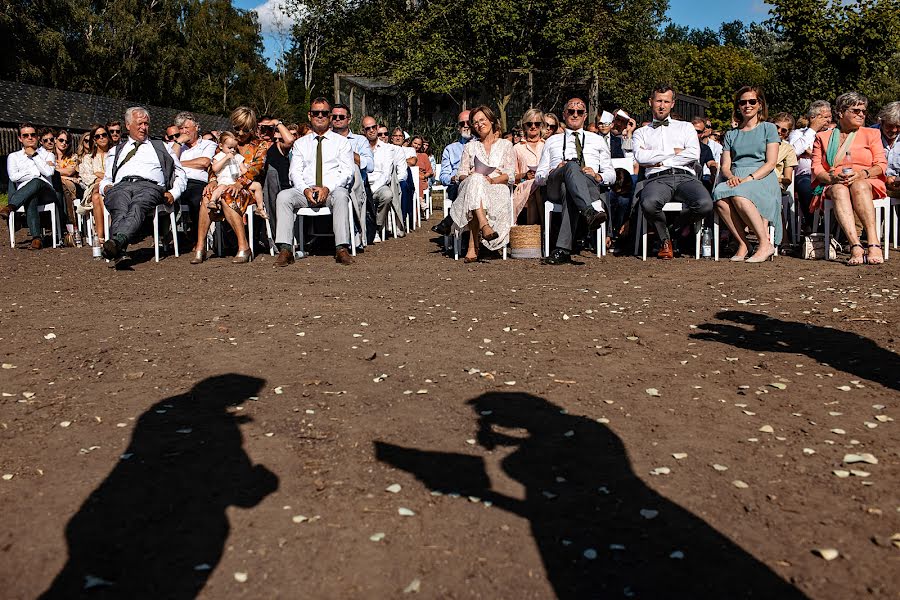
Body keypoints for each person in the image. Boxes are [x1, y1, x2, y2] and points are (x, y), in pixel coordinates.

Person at [630, 86, 713, 260]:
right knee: (649, 203)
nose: (662, 105)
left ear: (672, 104)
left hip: (685, 176)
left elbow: (693, 154)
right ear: (650, 102)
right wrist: (674, 151)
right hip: (657, 178)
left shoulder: (685, 127)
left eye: (666, 101)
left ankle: (668, 233)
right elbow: (641, 157)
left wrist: (660, 158)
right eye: (658, 101)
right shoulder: (641, 132)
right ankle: (665, 240)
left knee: (704, 204)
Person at [98, 107, 187, 266]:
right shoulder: (116, 151)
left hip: (150, 187)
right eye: (139, 123)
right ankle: (119, 248)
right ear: (128, 125)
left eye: (146, 124)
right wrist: (105, 188)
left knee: (137, 206)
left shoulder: (162, 147)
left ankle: (116, 244)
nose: (143, 127)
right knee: (120, 207)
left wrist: (174, 193)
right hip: (120, 187)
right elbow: (106, 179)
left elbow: (180, 173)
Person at [273, 97, 356, 267]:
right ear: (309, 115)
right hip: (306, 191)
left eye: (324, 113)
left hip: (332, 190)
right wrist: (305, 190)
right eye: (316, 113)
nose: (320, 116)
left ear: (330, 116)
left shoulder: (342, 143)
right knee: (284, 196)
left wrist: (328, 188)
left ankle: (341, 248)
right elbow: (294, 172)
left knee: (341, 195)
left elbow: (347, 171)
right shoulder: (300, 144)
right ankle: (286, 249)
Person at [535, 97, 614, 265]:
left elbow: (611, 175)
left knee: (568, 188)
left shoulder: (598, 140)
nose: (575, 115)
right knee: (570, 167)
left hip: (587, 184)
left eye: (579, 112)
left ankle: (562, 250)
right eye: (571, 111)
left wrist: (598, 175)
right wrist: (554, 170)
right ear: (564, 115)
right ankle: (588, 211)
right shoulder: (552, 141)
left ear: (585, 116)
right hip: (555, 182)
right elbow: (539, 176)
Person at [812, 92, 887, 265]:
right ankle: (855, 245)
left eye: (863, 111)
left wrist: (862, 174)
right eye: (856, 110)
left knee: (858, 185)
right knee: (839, 189)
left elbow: (881, 165)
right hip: (835, 182)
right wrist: (832, 178)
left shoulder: (871, 134)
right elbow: (816, 168)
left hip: (867, 180)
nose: (861, 114)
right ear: (840, 113)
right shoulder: (823, 137)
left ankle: (874, 242)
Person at [712, 86, 782, 263]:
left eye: (752, 101)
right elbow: (725, 165)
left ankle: (764, 243)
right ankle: (743, 243)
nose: (747, 105)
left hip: (761, 176)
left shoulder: (769, 128)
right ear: (738, 106)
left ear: (760, 104)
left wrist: (749, 179)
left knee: (739, 195)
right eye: (743, 102)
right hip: (736, 176)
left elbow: (771, 163)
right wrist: (730, 177)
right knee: (719, 196)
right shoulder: (731, 134)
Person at [190, 107, 268, 264]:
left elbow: (255, 169)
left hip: (248, 189)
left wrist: (239, 184)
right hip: (223, 185)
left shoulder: (260, 145)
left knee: (227, 195)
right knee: (207, 195)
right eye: (237, 128)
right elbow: (215, 165)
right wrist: (212, 181)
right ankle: (200, 246)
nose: (240, 133)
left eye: (244, 129)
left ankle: (243, 246)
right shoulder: (227, 142)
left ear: (252, 128)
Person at [446, 105, 515, 263]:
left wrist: (492, 180)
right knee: (476, 179)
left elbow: (510, 175)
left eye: (482, 120)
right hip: (471, 185)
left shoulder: (506, 145)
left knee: (477, 187)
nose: (479, 124)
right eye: (475, 122)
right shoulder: (470, 146)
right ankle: (484, 226)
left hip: (496, 187)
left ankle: (473, 245)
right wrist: (470, 176)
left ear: (491, 120)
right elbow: (460, 175)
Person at [1, 123, 58, 249]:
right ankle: (36, 239)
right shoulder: (13, 157)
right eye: (25, 135)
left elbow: (48, 173)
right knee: (31, 195)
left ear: (37, 137)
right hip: (27, 194)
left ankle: (11, 206)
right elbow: (13, 177)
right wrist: (36, 172)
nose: (30, 138)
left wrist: (35, 156)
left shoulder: (48, 155)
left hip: (47, 192)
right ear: (20, 138)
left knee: (37, 181)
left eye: (32, 135)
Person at [330, 104, 373, 246]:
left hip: (355, 187)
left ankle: (354, 231)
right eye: (334, 116)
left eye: (341, 117)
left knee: (353, 168)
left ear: (349, 119)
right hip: (329, 184)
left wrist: (347, 150)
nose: (337, 119)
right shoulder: (324, 140)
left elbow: (370, 166)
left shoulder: (360, 141)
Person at [172, 111, 217, 246]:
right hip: (177, 181)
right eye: (181, 129)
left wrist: (178, 163)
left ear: (196, 127)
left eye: (187, 128)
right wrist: (179, 142)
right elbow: (170, 162)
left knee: (196, 199)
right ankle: (169, 237)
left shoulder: (208, 144)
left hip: (197, 182)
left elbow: (204, 162)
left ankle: (199, 239)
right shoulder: (176, 145)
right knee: (167, 197)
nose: (184, 131)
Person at [788, 100, 833, 230]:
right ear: (813, 118)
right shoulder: (799, 134)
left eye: (830, 117)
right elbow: (793, 152)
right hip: (806, 176)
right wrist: (813, 130)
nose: (828, 120)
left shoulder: (834, 134)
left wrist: (810, 153)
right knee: (806, 186)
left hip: (828, 175)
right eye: (825, 117)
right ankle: (814, 227)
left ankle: (831, 230)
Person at [205, 132, 266, 221]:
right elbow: (214, 168)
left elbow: (244, 170)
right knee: (220, 188)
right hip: (225, 180)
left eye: (234, 148)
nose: (232, 150)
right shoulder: (219, 156)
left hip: (236, 180)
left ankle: (260, 208)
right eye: (229, 148)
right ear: (221, 146)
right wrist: (226, 158)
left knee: (257, 186)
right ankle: (212, 202)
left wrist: (244, 170)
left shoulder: (237, 156)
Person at [363, 115, 406, 241]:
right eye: (367, 128)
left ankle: (376, 227)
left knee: (387, 195)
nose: (371, 130)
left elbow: (386, 174)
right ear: (363, 131)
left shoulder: (387, 149)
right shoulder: (360, 147)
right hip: (363, 185)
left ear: (377, 128)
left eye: (373, 127)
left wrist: (372, 190)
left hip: (379, 185)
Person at [257, 115, 295, 235]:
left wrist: (276, 123)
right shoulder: (253, 147)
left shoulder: (278, 146)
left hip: (279, 190)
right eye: (262, 128)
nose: (265, 131)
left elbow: (289, 140)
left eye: (269, 128)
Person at [512, 108, 545, 223]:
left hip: (546, 186)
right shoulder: (517, 148)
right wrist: (525, 175)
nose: (533, 127)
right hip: (524, 187)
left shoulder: (547, 145)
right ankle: (543, 229)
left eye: (537, 123)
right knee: (533, 186)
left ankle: (534, 233)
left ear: (542, 126)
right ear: (524, 126)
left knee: (537, 185)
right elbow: (512, 175)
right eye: (529, 124)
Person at [53, 128, 80, 246]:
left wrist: (54, 171)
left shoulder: (73, 156)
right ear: (55, 140)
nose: (64, 143)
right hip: (56, 187)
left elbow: (70, 171)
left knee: (64, 186)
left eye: (67, 141)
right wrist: (63, 174)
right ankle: (72, 227)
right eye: (61, 140)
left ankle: (67, 229)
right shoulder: (48, 156)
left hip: (70, 186)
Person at [438, 110, 471, 201]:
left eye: (469, 122)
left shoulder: (482, 145)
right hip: (457, 185)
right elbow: (444, 176)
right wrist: (455, 178)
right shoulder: (450, 149)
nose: (466, 125)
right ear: (458, 128)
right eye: (462, 124)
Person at [877, 102, 900, 198]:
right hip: (877, 184)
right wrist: (885, 179)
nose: (894, 130)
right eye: (890, 125)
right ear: (881, 122)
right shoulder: (870, 135)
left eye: (898, 126)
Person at [771, 113, 798, 193]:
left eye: (783, 130)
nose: (779, 131)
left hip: (775, 183)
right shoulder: (759, 142)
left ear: (788, 133)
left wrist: (775, 180)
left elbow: (788, 179)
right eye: (776, 127)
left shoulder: (788, 149)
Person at [690, 116, 718, 190]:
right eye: (693, 130)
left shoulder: (705, 148)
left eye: (698, 132)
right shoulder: (680, 145)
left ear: (702, 133)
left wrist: (713, 170)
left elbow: (711, 162)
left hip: (697, 182)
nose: (695, 133)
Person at [410, 135, 433, 212]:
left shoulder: (424, 156)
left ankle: (420, 200)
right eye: (415, 143)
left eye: (419, 144)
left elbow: (429, 171)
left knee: (417, 179)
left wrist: (423, 177)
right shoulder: (406, 153)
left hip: (421, 180)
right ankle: (421, 200)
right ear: (411, 143)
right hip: (409, 178)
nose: (416, 146)